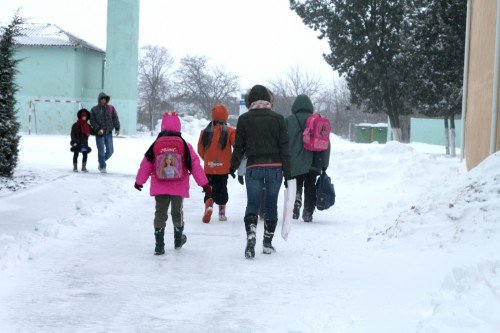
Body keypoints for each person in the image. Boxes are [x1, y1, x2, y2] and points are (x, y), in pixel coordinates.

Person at [134, 111, 212, 255]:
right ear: (178, 126)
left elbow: (146, 163)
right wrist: (204, 184)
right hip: (179, 185)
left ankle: (159, 245)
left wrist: (139, 181)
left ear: (163, 126)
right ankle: (178, 239)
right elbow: (195, 165)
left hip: (160, 185)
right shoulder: (184, 144)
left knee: (160, 213)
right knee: (177, 212)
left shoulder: (156, 144)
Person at [230, 85, 291, 259]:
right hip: (275, 168)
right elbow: (285, 148)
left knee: (253, 204)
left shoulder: (244, 119)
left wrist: (233, 167)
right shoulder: (279, 119)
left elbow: (239, 148)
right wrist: (288, 173)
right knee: (271, 205)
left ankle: (251, 235)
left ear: (251, 100)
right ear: (268, 99)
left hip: (253, 167)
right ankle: (267, 243)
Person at [286, 94, 330, 222]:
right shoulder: (318, 120)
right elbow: (327, 143)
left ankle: (297, 199)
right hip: (314, 160)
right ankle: (308, 213)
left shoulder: (289, 120)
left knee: (297, 183)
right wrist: (324, 164)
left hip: (295, 161)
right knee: (310, 186)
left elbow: (283, 141)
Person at [197, 105, 236, 223]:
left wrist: (207, 159)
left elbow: (200, 148)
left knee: (209, 189)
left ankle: (209, 207)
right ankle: (222, 213)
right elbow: (236, 145)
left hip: (209, 168)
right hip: (223, 168)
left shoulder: (205, 131)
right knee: (222, 188)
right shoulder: (230, 131)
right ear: (225, 116)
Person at [90, 92, 120, 173]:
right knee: (101, 151)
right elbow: (92, 121)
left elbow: (115, 119)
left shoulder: (111, 108)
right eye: (102, 99)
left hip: (108, 133)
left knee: (110, 151)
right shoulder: (94, 109)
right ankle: (102, 166)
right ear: (99, 100)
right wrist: (98, 129)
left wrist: (117, 128)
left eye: (105, 99)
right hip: (99, 134)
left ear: (107, 100)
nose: (103, 100)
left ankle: (101, 161)